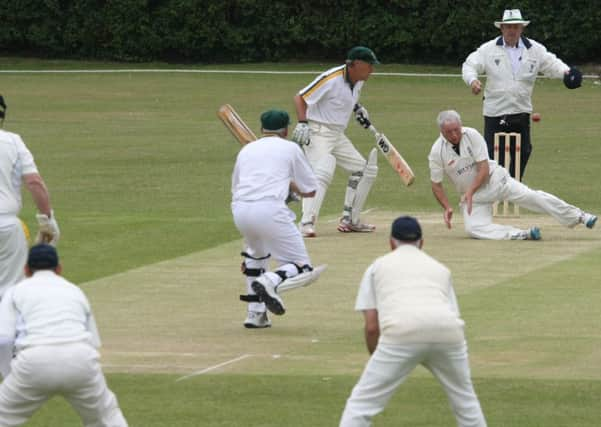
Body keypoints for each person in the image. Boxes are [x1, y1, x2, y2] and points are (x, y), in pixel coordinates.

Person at [339, 216, 487, 427]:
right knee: (466, 404)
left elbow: (372, 327)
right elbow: (453, 314)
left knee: (360, 406)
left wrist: (378, 359)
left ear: (391, 242)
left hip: (402, 332)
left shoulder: (377, 267)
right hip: (449, 333)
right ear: (422, 243)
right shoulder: (440, 269)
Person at [0, 244, 128, 426]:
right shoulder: (76, 291)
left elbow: (3, 339)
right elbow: (93, 342)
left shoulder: (15, 291)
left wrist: (10, 375)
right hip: (81, 359)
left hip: (34, 362)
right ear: (59, 269)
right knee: (107, 416)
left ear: (26, 269)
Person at [429, 110, 597, 240]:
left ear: (461, 125)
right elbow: (436, 184)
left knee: (532, 197)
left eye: (456, 130)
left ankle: (580, 216)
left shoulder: (472, 135)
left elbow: (484, 168)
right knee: (473, 229)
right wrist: (447, 207)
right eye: (449, 132)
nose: (454, 135)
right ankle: (522, 234)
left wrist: (470, 193)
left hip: (495, 181)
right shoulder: (437, 151)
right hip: (474, 196)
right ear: (441, 131)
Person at [232, 109, 327, 328]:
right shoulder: (291, 148)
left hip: (240, 209)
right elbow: (310, 189)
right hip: (270, 209)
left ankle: (255, 314)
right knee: (302, 266)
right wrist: (290, 188)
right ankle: (270, 281)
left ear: (261, 129)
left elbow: (238, 186)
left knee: (255, 258)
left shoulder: (247, 150)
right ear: (286, 130)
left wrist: (284, 188)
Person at [462, 9, 582, 180]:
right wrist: (472, 80)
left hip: (521, 110)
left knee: (524, 151)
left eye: (516, 27)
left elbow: (551, 63)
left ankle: (513, 185)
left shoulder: (534, 49)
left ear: (522, 28)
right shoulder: (488, 49)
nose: (512, 30)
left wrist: (567, 72)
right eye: (508, 27)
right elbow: (470, 64)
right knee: (496, 155)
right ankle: (496, 187)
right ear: (501, 28)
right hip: (495, 111)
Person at [292, 46, 380, 237]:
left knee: (363, 170)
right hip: (318, 131)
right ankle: (306, 222)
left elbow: (346, 99)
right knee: (322, 171)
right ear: (354, 64)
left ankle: (350, 219)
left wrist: (358, 109)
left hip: (338, 134)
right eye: (369, 66)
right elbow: (300, 97)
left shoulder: (358, 81)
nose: (372, 71)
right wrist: (302, 123)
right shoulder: (331, 78)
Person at [0, 95, 60, 301]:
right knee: (10, 292)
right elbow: (34, 182)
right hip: (6, 226)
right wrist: (47, 219)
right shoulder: (12, 142)